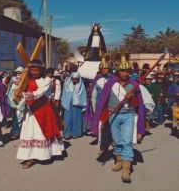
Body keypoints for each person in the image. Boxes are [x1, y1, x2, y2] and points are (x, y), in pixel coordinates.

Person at [91, 53, 145, 183]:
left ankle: (126, 169)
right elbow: (103, 102)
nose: (125, 73)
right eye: (123, 70)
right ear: (118, 71)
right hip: (113, 114)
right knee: (116, 140)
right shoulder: (110, 84)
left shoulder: (134, 84)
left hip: (128, 115)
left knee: (127, 141)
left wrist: (132, 97)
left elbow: (139, 105)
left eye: (127, 71)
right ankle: (119, 160)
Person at [16, 60, 64, 169]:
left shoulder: (46, 80)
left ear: (41, 70)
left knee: (41, 133)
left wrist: (24, 95)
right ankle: (30, 156)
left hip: (43, 110)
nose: (33, 72)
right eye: (31, 70)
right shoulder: (27, 80)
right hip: (30, 112)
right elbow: (17, 88)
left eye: (36, 70)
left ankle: (44, 154)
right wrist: (23, 75)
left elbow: (39, 93)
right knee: (29, 133)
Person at [85, 55, 113, 155]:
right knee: (103, 127)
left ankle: (114, 144)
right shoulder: (96, 81)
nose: (104, 70)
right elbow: (93, 96)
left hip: (112, 106)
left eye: (106, 68)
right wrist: (94, 109)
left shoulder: (114, 80)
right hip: (101, 107)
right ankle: (103, 147)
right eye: (102, 68)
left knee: (113, 126)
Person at [61, 72, 87, 139]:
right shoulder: (67, 84)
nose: (74, 80)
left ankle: (76, 133)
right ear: (71, 78)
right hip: (68, 104)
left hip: (78, 105)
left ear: (79, 79)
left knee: (76, 119)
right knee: (68, 119)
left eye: (76, 79)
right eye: (73, 79)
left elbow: (83, 95)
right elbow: (64, 94)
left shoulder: (81, 85)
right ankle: (67, 133)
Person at [6, 66, 25, 140]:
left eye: (20, 72)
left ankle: (16, 133)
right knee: (15, 118)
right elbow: (9, 89)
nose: (18, 73)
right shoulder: (13, 79)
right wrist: (8, 99)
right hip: (12, 100)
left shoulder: (25, 80)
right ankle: (14, 132)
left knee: (19, 117)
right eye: (17, 72)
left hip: (21, 100)